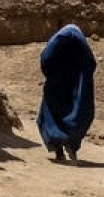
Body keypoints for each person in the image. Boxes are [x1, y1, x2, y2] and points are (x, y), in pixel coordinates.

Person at [37, 24, 97, 163]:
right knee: (78, 114)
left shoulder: (58, 40)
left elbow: (46, 58)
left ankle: (59, 152)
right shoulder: (80, 44)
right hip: (77, 86)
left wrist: (51, 75)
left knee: (52, 114)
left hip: (57, 83)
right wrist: (83, 79)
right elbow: (91, 63)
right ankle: (72, 147)